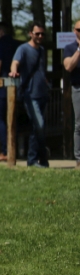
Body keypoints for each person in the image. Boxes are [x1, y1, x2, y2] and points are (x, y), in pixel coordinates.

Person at [10, 23, 50, 168]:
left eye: (42, 34)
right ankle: (37, 159)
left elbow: (41, 70)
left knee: (38, 127)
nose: (40, 36)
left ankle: (37, 160)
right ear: (30, 33)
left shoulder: (42, 50)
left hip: (42, 93)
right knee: (39, 125)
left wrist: (47, 84)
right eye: (37, 33)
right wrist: (14, 71)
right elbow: (15, 62)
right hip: (30, 93)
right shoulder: (23, 49)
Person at [0, 22, 17, 162]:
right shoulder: (17, 44)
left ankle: (6, 151)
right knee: (12, 118)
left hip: (3, 85)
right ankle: (13, 149)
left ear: (0, 31)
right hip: (17, 85)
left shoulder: (0, 44)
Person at [62, 19, 80, 169]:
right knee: (79, 125)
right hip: (78, 88)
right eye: (79, 30)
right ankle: (79, 160)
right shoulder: (69, 48)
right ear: (75, 31)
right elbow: (68, 66)